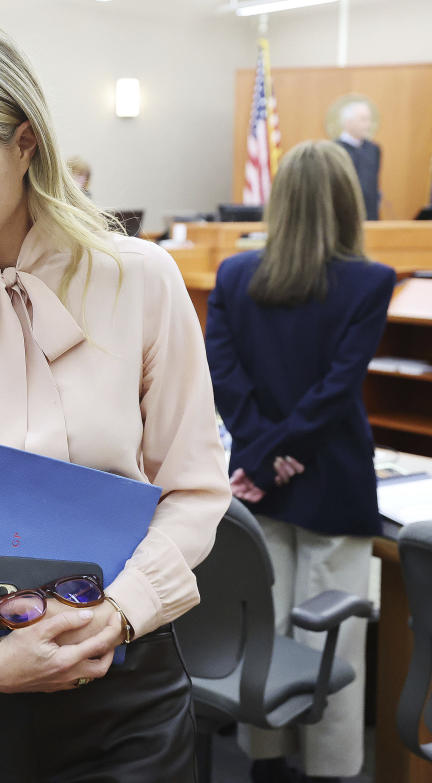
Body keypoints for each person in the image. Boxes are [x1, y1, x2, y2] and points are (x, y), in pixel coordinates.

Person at [0, 23, 231, 782]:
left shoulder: (141, 282)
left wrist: (118, 609)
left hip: (122, 685)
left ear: (25, 142)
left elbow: (193, 489)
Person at [205, 140, 396, 783]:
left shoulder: (234, 275)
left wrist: (262, 457)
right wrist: (285, 452)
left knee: (269, 624)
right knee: (331, 635)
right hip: (333, 475)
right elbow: (338, 390)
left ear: (278, 201)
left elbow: (225, 379)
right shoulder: (370, 281)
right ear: (349, 204)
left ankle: (267, 760)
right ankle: (333, 769)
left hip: (257, 482)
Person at [335, 100, 381, 220]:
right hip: (344, 214)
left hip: (370, 215)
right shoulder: (334, 149)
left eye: (369, 120)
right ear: (348, 122)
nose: (368, 125)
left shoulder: (374, 149)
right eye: (363, 119)